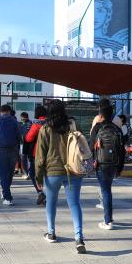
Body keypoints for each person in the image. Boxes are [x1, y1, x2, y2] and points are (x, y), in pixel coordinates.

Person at [35, 99, 86, 253]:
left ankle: (51, 233)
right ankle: (79, 238)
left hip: (52, 172)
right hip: (73, 170)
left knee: (51, 202)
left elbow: (40, 157)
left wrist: (38, 177)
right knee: (75, 204)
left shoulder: (45, 129)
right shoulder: (72, 125)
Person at [90, 104, 125, 230]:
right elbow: (122, 151)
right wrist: (120, 168)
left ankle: (108, 221)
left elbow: (91, 147)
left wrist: (92, 162)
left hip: (101, 164)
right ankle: (108, 218)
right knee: (107, 190)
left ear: (100, 115)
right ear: (112, 115)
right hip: (114, 164)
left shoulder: (97, 128)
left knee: (106, 191)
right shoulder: (117, 129)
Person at [0, 105, 21, 206]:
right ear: (9, 111)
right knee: (10, 173)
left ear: (1, 111)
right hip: (13, 150)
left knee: (3, 173)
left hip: (1, 150)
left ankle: (7, 197)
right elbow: (19, 136)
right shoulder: (14, 121)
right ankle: (5, 192)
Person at [25, 105, 47, 206]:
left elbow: (28, 138)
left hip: (36, 153)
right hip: (50, 154)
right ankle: (47, 194)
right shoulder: (51, 124)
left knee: (34, 174)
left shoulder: (37, 124)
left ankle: (40, 192)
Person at [19, 112, 33, 179]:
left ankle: (28, 173)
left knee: (26, 158)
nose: (22, 119)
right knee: (26, 158)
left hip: (26, 143)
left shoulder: (29, 124)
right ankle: (27, 173)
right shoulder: (21, 124)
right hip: (25, 144)